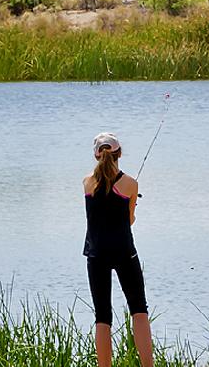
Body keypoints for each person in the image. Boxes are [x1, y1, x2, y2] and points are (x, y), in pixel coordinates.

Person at [83, 133, 154, 367]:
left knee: (102, 317)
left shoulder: (87, 183)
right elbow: (130, 220)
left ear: (96, 155)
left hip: (96, 254)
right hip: (124, 251)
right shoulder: (130, 184)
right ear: (119, 153)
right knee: (139, 310)